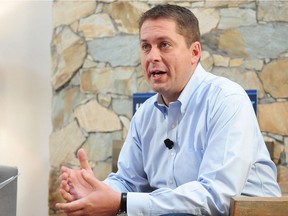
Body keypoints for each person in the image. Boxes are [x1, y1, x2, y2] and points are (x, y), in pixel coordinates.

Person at [56, 4, 281, 216]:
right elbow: (127, 181)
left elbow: (216, 197)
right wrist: (96, 191)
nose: (152, 57)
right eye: (146, 46)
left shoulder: (226, 100)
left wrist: (122, 202)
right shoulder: (144, 115)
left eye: (164, 44)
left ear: (194, 53)